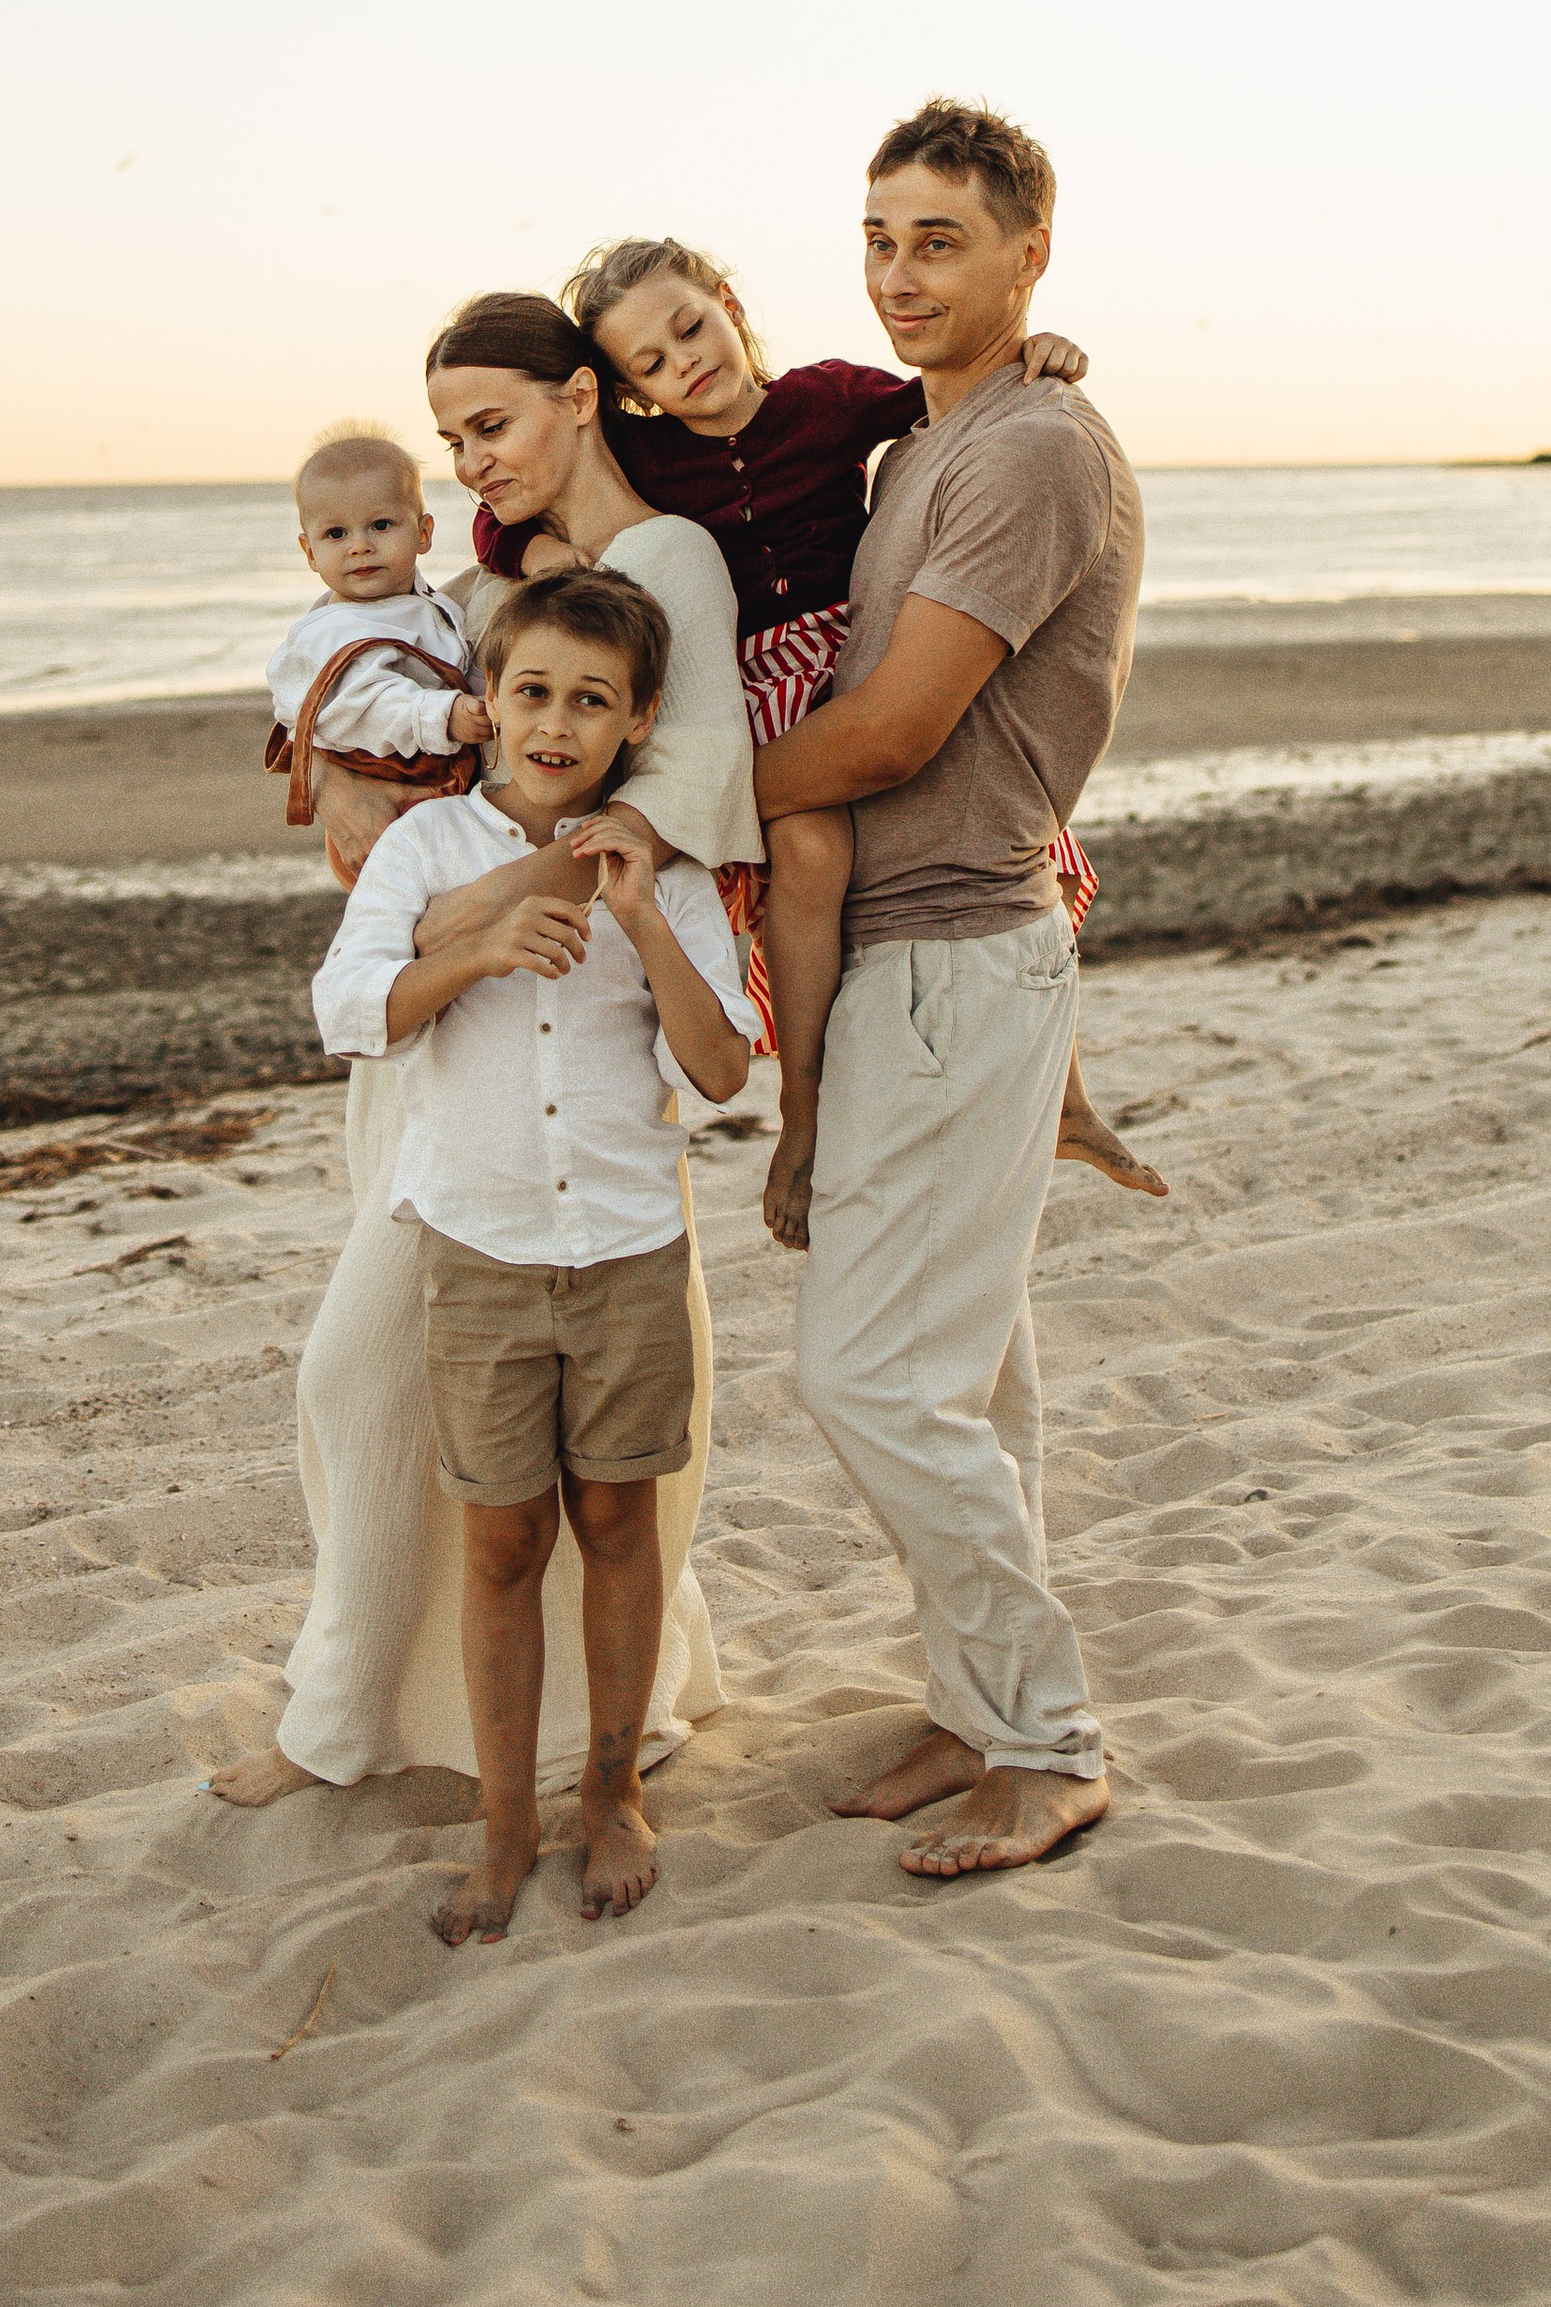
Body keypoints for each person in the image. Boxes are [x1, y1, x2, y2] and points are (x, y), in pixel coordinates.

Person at [211, 294, 755, 1815]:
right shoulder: (486, 579)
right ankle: (386, 1713)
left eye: (493, 425)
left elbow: (676, 800)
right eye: (452, 438)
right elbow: (381, 724)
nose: (471, 461)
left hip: (580, 1039)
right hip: (435, 1054)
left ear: (581, 400)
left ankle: (378, 1720)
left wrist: (457, 906)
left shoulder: (664, 563)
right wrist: (328, 780)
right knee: (419, 1408)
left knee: (381, 1385)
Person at [751, 100, 1143, 1877]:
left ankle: (1048, 1740)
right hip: (919, 956)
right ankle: (983, 1705)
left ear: (1028, 253)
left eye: (940, 241)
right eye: (879, 239)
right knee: (973, 1381)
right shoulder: (929, 442)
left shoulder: (1033, 449)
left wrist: (668, 803)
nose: (899, 274)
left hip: (954, 955)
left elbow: (898, 730)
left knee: (873, 1380)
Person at [472, 238, 1164, 1213]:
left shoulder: (825, 398)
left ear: (726, 304)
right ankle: (801, 1105)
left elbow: (951, 398)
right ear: (627, 392)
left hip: (859, 654)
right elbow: (506, 512)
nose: (685, 365)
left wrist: (1033, 352)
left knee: (1022, 841)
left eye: (691, 329)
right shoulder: (647, 454)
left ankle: (1069, 1097)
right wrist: (534, 553)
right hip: (762, 679)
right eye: (652, 366)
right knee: (809, 850)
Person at [321, 567, 755, 1940]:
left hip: (627, 1248)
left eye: (590, 701)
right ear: (491, 703)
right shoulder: (428, 850)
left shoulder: (667, 875)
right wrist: (481, 948)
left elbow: (721, 1069)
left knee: (619, 1525)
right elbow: (348, 1010)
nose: (556, 724)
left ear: (637, 722)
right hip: (481, 1251)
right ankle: (505, 1826)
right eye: (532, 694)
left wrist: (639, 917)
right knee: (502, 1542)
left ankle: (613, 1792)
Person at [264, 426, 493, 885]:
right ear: (310, 552)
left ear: (423, 532)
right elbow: (363, 702)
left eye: (381, 525)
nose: (359, 545)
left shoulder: (428, 604)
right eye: (336, 533)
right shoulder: (332, 631)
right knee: (404, 904)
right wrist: (443, 715)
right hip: (386, 799)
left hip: (435, 786)